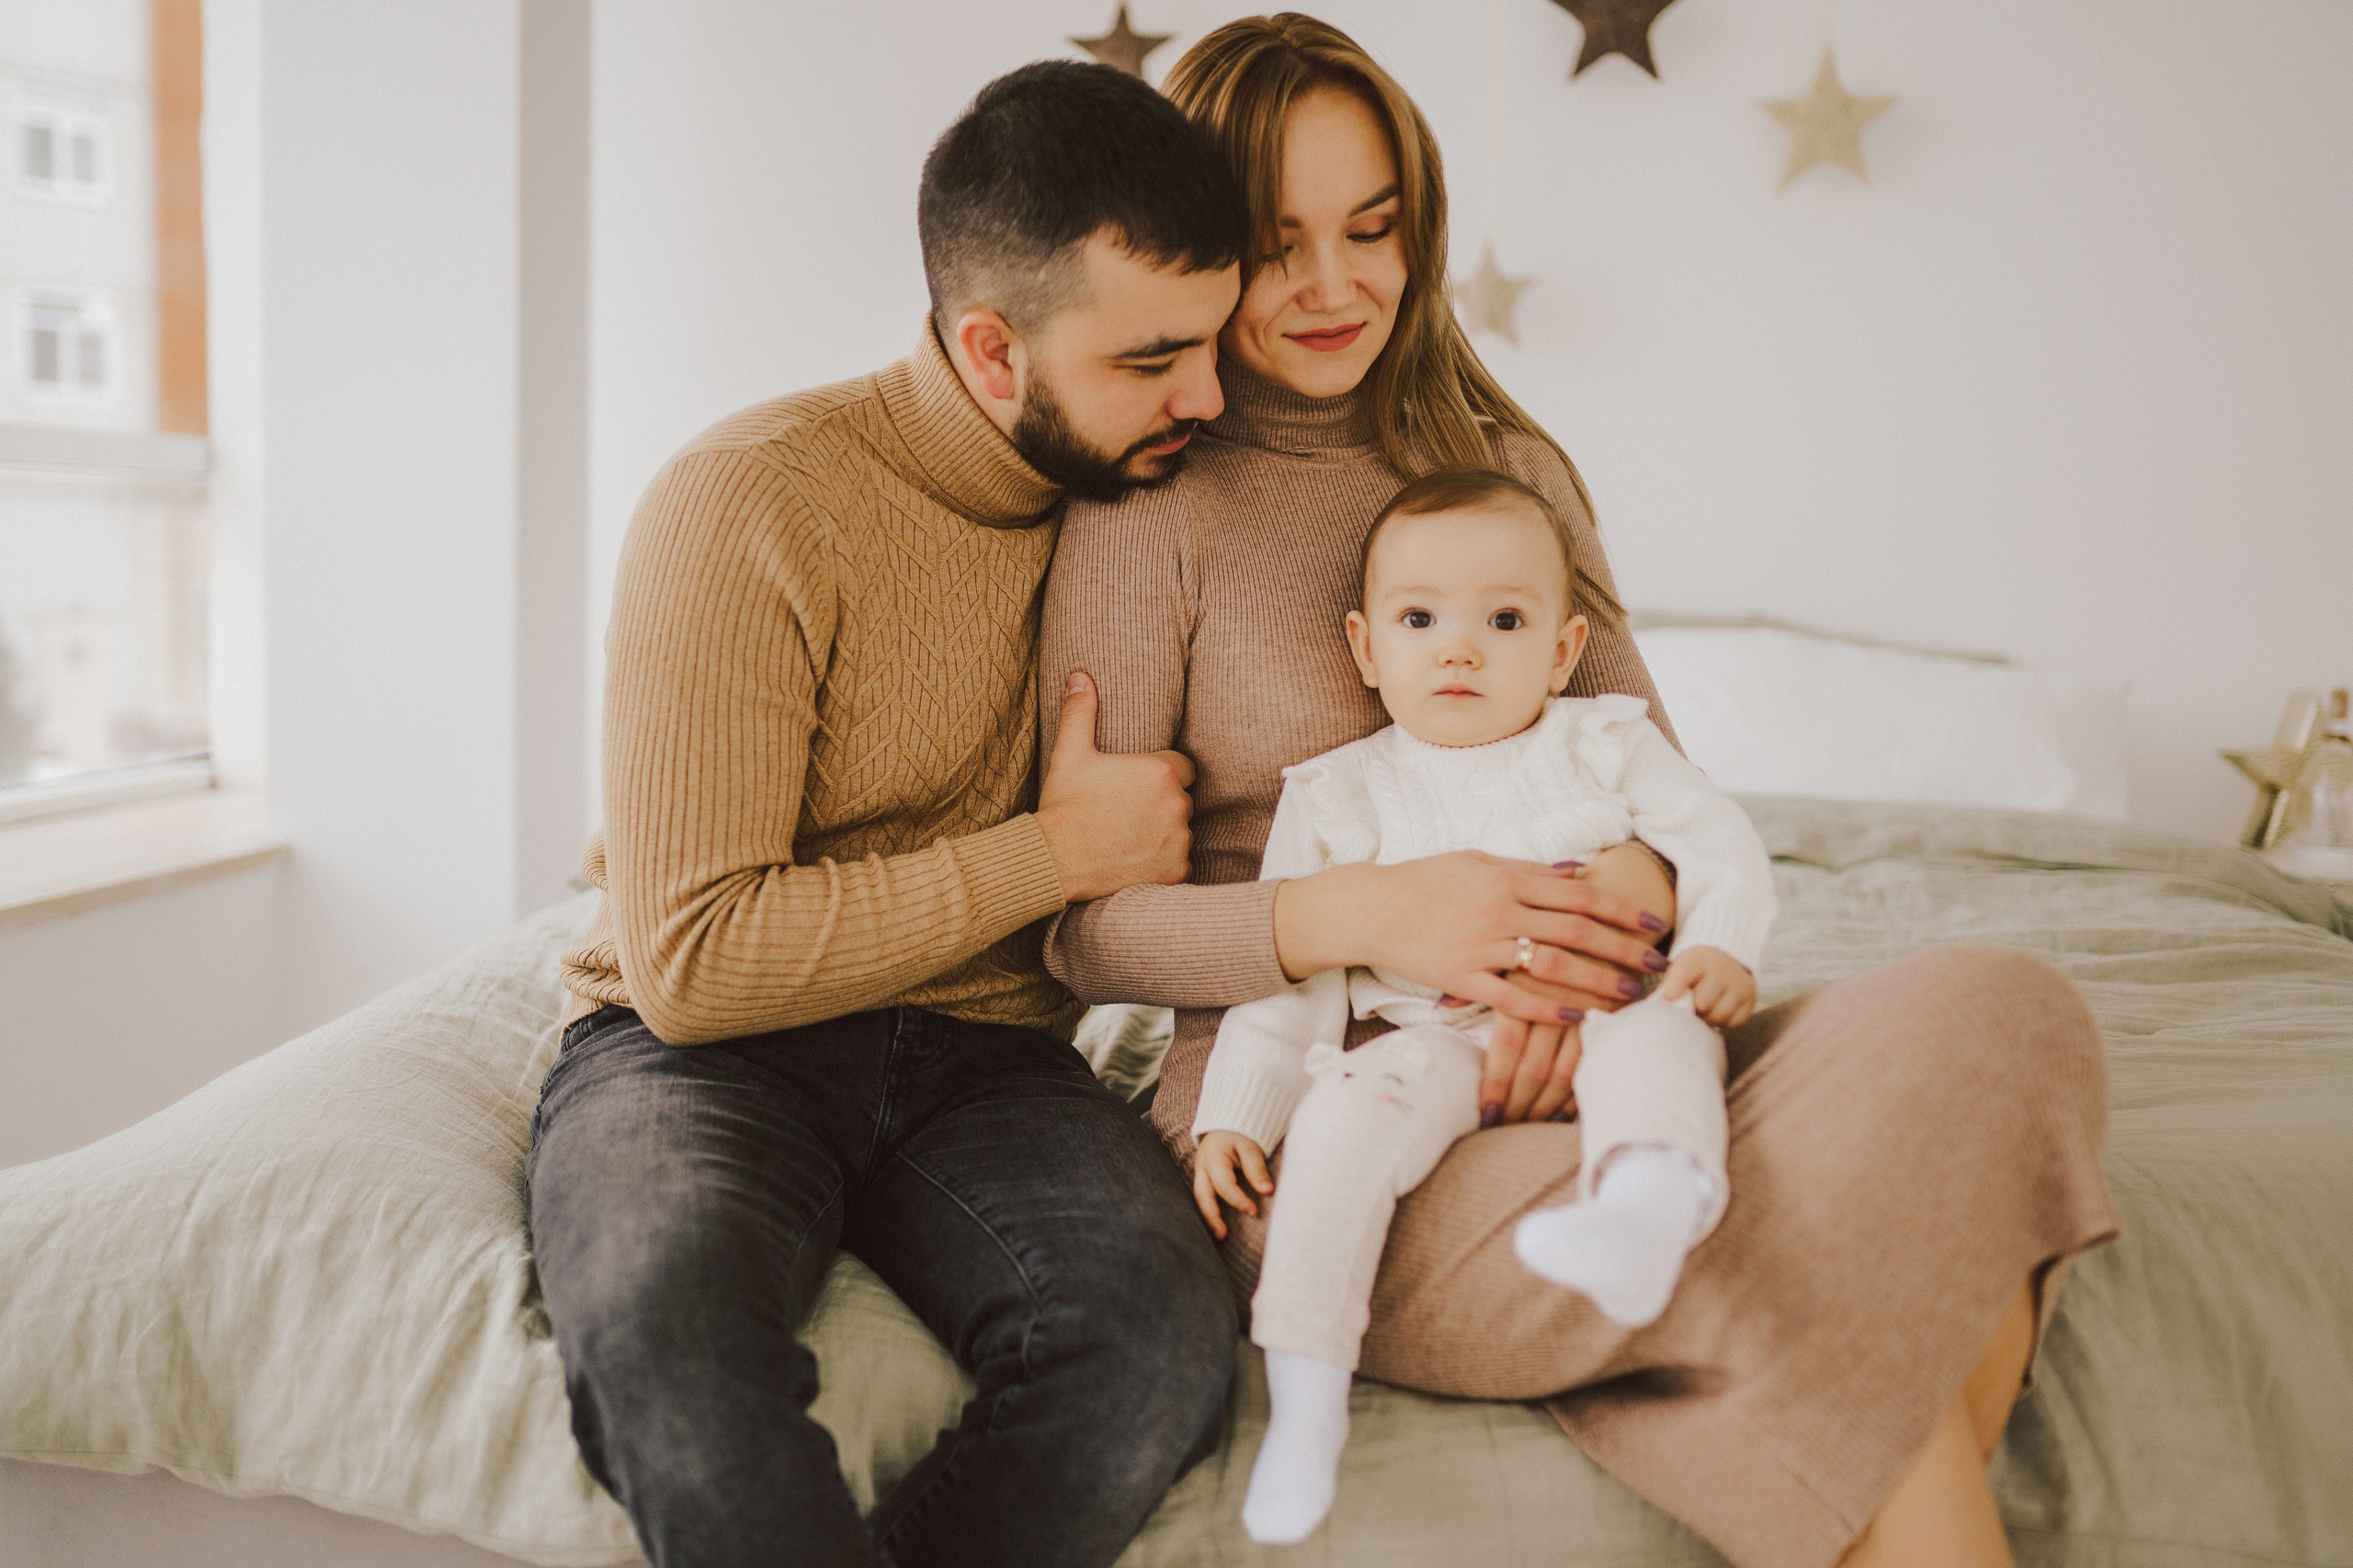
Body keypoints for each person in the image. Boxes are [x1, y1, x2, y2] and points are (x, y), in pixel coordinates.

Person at [1039, 16, 2119, 1568]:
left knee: (2002, 1018)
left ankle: (1677, 1252)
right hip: (1329, 1103)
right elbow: (1084, 931)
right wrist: (1369, 914)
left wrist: (1572, 956)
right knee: (1843, 1250)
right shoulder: (1148, 520)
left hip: (1608, 1043)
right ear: (1199, 243)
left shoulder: (1508, 471)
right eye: (1280, 245)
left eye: (1374, 229)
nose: (1337, 284)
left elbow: (1658, 803)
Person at [527, 62, 1255, 1568]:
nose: (1211, 397)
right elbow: (692, 961)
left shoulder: (1164, 502)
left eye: (1217, 342)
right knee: (667, 1328)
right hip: (701, 1057)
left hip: (984, 1059)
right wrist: (1055, 853)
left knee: (1160, 1338)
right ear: (992, 349)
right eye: (1156, 358)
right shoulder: (747, 503)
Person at [1188, 468, 1778, 1543]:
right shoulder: (1335, 792)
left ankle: (1640, 1216)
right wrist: (1240, 1107)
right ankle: (1307, 1397)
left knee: (1663, 1033)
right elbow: (1294, 979)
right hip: (1431, 1035)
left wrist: (1718, 945)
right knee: (1341, 1117)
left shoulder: (1602, 740)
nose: (1459, 648)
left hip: (1606, 1005)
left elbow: (1719, 843)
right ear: (1368, 649)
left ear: (1561, 649)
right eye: (1421, 619)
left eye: (1503, 619)